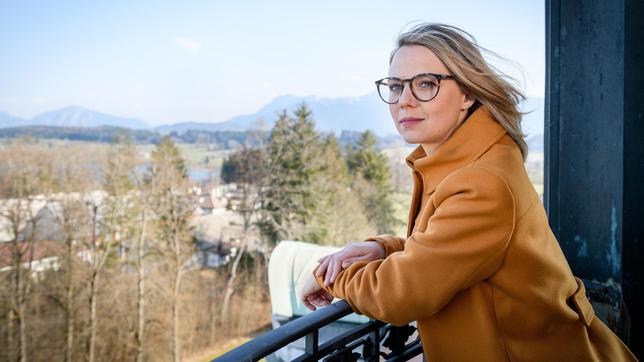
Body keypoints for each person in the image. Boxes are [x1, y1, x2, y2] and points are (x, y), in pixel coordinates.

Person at [300, 23, 636, 361]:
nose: (404, 100)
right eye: (396, 86)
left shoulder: (481, 181)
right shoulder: (469, 160)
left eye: (426, 84)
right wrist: (382, 248)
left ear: (468, 93)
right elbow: (456, 250)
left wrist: (328, 274)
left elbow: (399, 295)